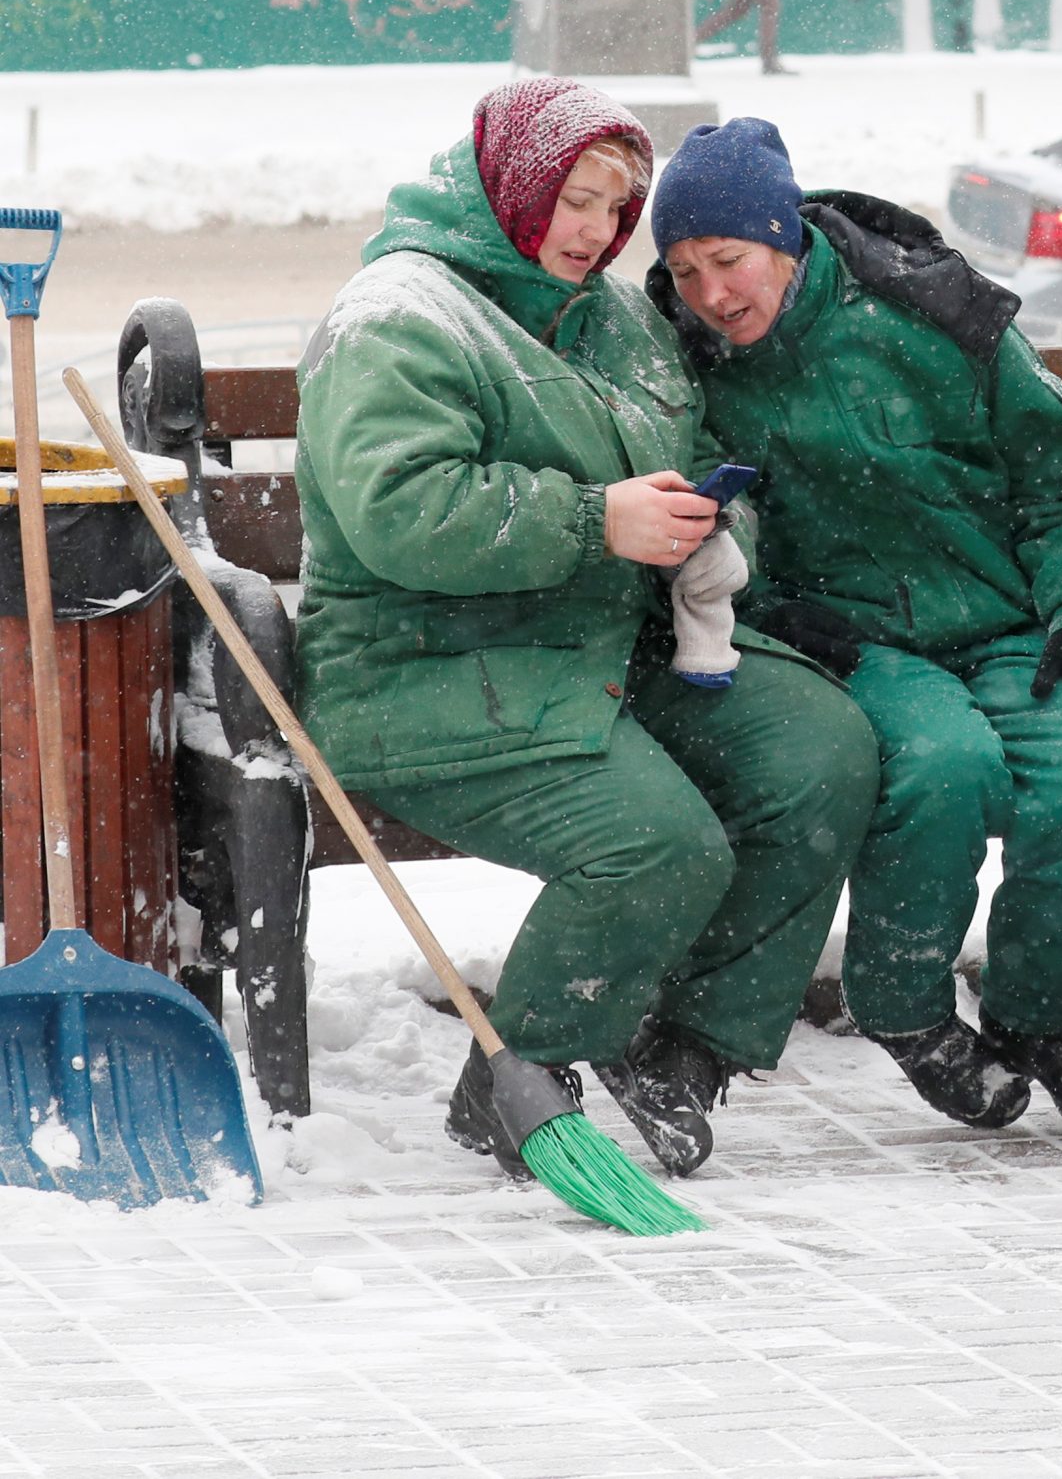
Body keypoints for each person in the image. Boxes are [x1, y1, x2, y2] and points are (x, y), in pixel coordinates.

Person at [295, 78, 878, 1180]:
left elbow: (695, 453)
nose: (595, 231)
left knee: (820, 754)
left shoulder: (614, 322)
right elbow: (401, 513)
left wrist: (710, 523)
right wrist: (593, 519)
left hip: (599, 653)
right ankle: (525, 1071)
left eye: (617, 207)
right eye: (575, 199)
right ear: (514, 183)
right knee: (656, 846)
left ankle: (681, 1045)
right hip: (424, 677)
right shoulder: (399, 317)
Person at [643, 118, 1062, 1135]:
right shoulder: (684, 366)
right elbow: (700, 519)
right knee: (941, 768)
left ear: (785, 237)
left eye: (729, 260)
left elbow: (1054, 479)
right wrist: (771, 603)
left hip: (1007, 622)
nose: (711, 292)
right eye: (684, 268)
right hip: (851, 642)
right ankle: (907, 1010)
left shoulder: (931, 309)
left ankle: (1037, 1019)